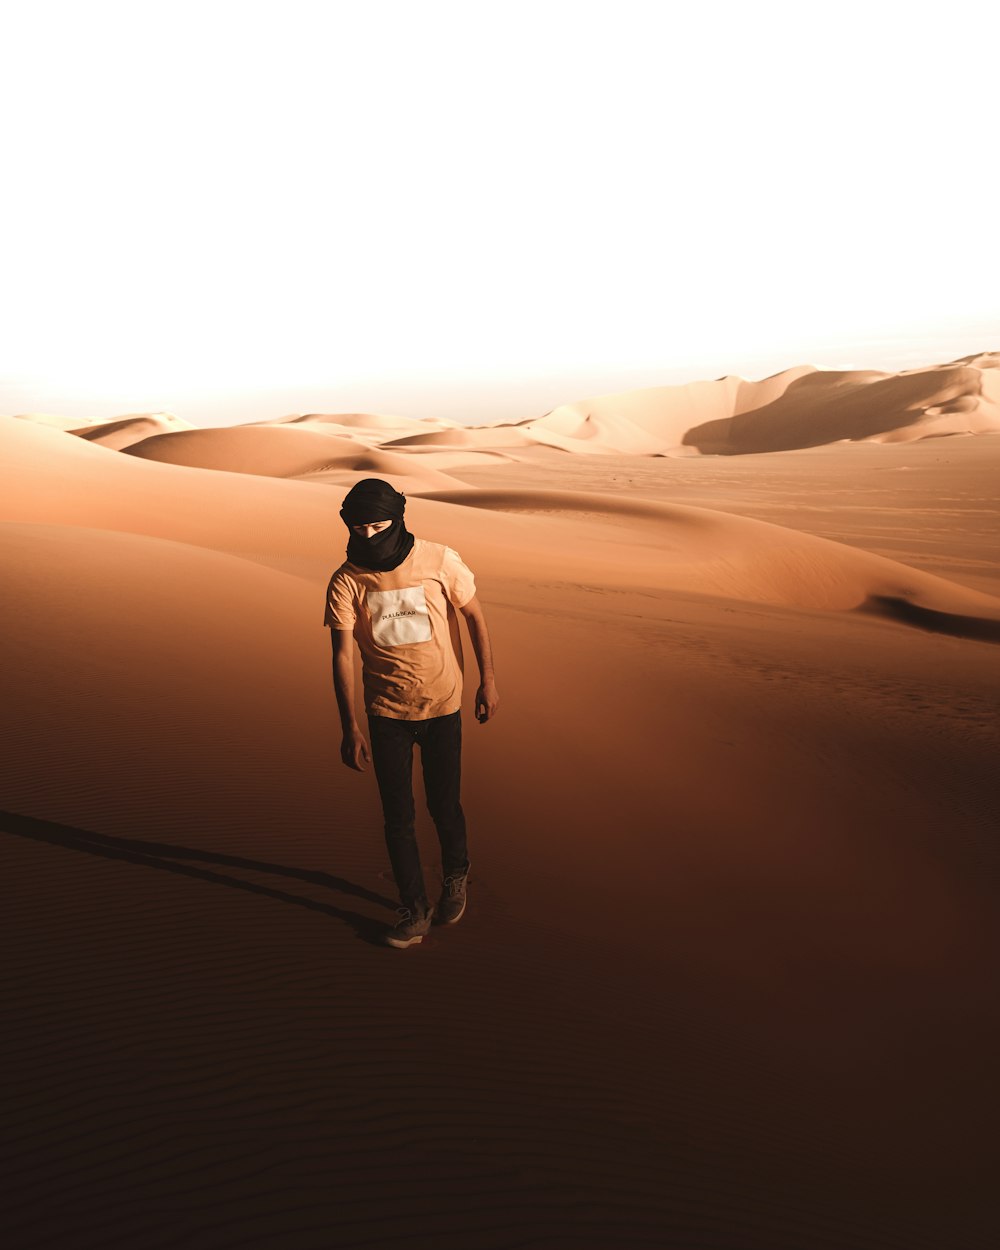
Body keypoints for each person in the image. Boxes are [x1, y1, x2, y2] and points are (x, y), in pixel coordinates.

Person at [325, 478, 499, 948]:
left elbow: (475, 616)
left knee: (444, 806)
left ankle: (456, 876)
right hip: (385, 713)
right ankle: (414, 909)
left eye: (377, 526)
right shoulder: (346, 579)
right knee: (396, 817)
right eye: (357, 529)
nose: (367, 537)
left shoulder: (439, 559)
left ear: (398, 519)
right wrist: (350, 726)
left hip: (443, 705)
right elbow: (342, 653)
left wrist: (487, 679)